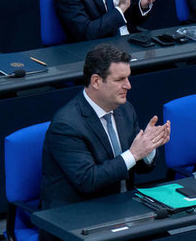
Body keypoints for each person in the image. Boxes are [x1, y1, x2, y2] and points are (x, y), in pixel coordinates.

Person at [41, 44, 170, 210]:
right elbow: (88, 180)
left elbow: (140, 167)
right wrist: (134, 153)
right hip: (81, 212)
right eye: (119, 80)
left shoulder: (125, 109)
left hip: (124, 204)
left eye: (128, 78)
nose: (128, 85)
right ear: (96, 81)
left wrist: (148, 147)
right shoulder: (66, 125)